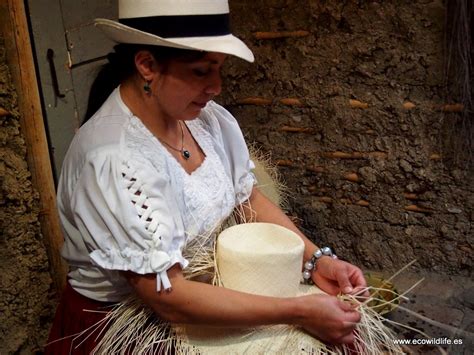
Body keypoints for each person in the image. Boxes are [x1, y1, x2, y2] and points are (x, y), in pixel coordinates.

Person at [44, 0, 367, 353]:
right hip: (131, 322)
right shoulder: (113, 159)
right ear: (147, 65)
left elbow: (248, 198)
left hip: (204, 295)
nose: (216, 86)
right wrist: (298, 311)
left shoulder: (206, 120)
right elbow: (168, 298)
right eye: (201, 71)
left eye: (219, 68)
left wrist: (317, 260)